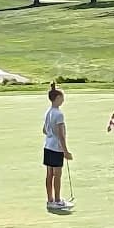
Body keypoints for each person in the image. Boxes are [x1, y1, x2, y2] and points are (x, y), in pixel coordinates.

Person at [43, 82, 74, 211]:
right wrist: (66, 151)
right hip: (56, 148)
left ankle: (50, 199)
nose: (63, 99)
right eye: (62, 97)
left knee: (49, 174)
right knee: (57, 175)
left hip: (48, 146)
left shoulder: (48, 112)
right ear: (57, 98)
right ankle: (57, 200)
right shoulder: (59, 114)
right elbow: (61, 135)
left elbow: (44, 130)